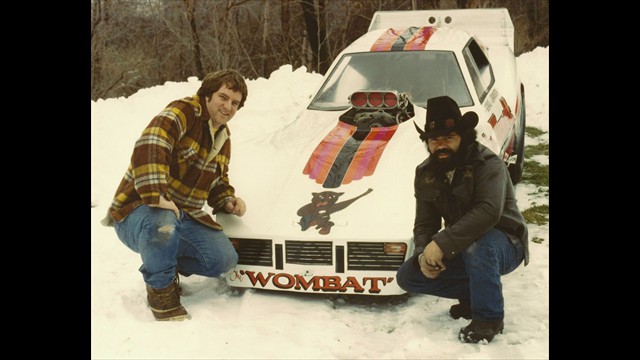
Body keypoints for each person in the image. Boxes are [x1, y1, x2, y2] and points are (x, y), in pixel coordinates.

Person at [101, 69, 248, 321]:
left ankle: (165, 265)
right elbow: (150, 144)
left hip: (183, 216)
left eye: (235, 103)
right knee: (162, 221)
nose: (228, 106)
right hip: (137, 213)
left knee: (223, 259)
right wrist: (156, 195)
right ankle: (160, 290)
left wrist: (228, 200)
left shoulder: (223, 137)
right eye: (223, 97)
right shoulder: (185, 111)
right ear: (207, 95)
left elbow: (217, 180)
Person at [396, 95, 529, 343]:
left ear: (464, 137)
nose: (441, 145)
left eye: (449, 138)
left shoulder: (487, 163)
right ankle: (475, 297)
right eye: (435, 140)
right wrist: (425, 252)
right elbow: (425, 223)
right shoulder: (425, 172)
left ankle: (488, 319)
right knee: (408, 275)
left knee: (479, 244)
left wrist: (442, 244)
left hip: (506, 242)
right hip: (462, 245)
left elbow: (489, 211)